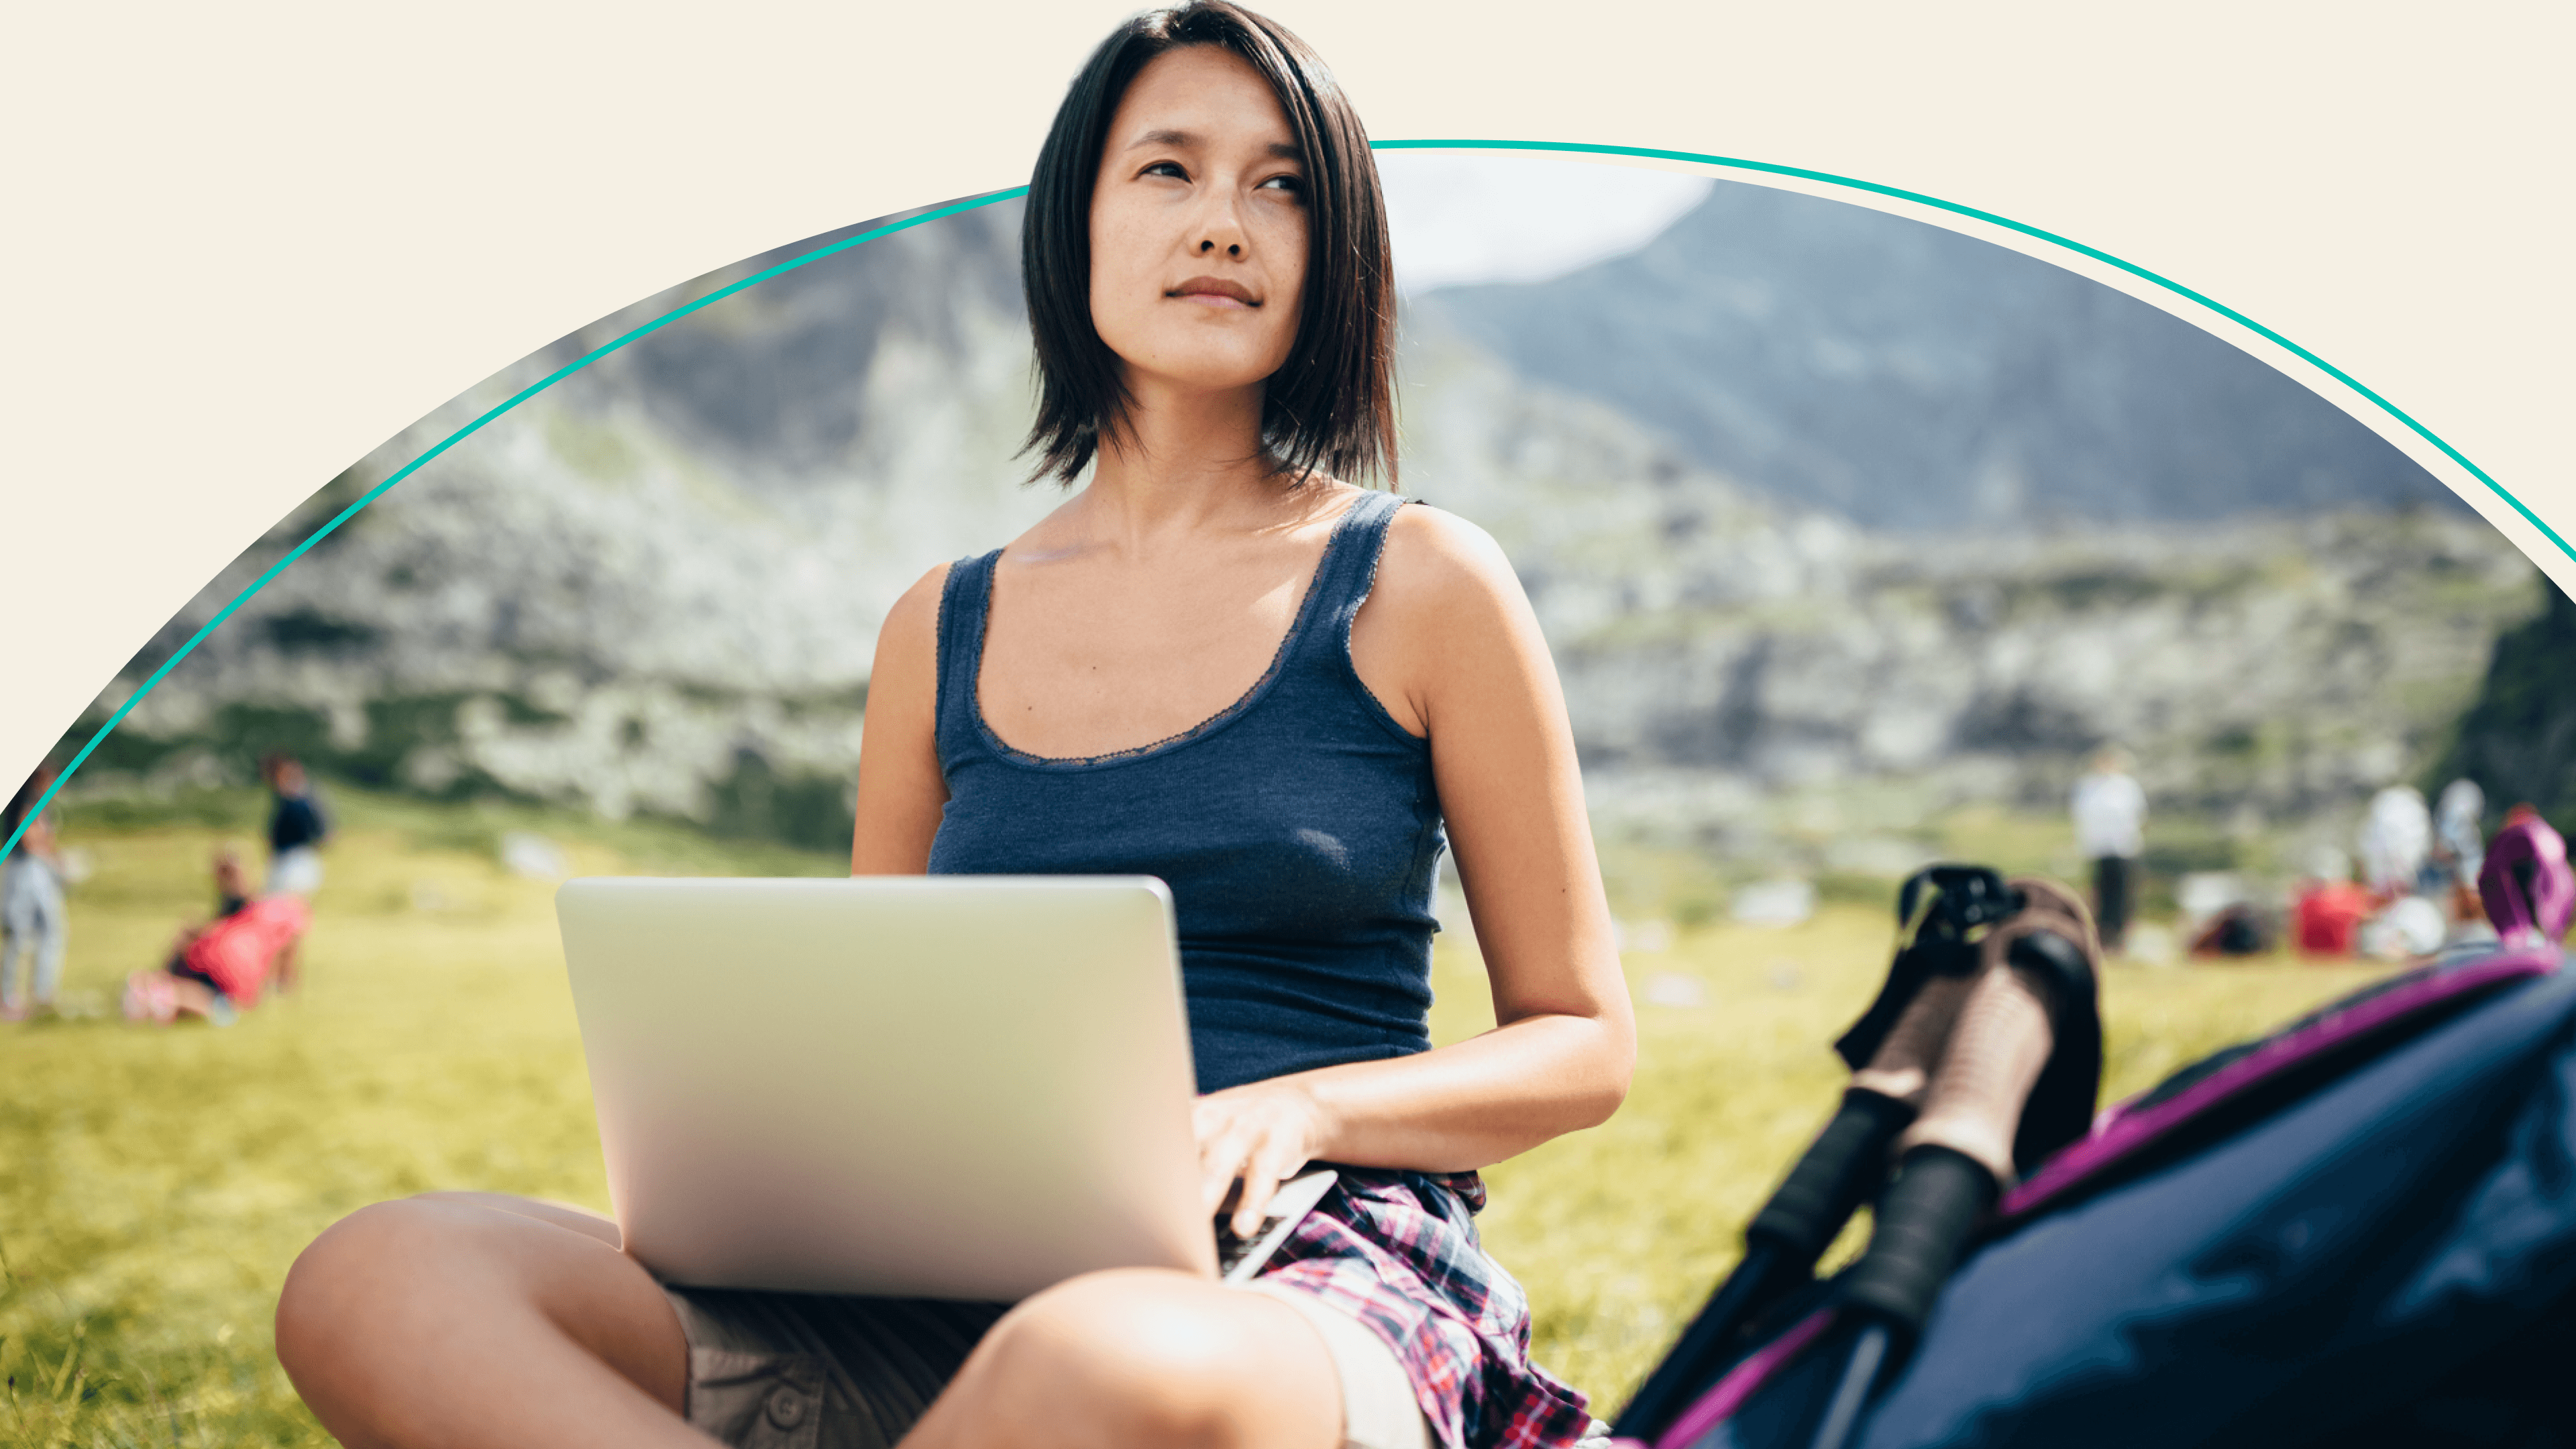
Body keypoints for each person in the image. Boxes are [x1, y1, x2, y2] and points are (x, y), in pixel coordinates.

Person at [272, 8, 1635, 1449]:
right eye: (1167, 172)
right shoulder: (942, 624)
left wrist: (1299, 1111)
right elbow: (891, 1033)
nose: (1225, 223)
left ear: (1334, 250)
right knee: (386, 1277)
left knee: (1101, 1364)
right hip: (948, 1292)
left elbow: (1583, 1044)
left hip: (1298, 1276)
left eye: (1282, 183)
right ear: (1075, 228)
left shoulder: (1422, 581)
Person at [122, 848, 309, 1025]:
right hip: (224, 970)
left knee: (212, 993)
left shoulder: (259, 911)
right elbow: (287, 954)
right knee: (219, 1001)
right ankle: (165, 994)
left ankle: (160, 991)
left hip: (217, 965)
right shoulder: (268, 911)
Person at [2, 759, 70, 1020]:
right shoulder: (25, 799)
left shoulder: (43, 806)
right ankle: (9, 1000)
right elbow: (28, 839)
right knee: (18, 935)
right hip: (23, 871)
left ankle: (42, 995)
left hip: (40, 872)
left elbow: (46, 839)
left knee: (52, 930)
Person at [2071, 745, 2146, 955]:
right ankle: (2102, 936)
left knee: (2123, 895)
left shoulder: (2127, 787)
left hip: (2124, 848)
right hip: (2098, 848)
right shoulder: (2088, 786)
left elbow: (2138, 815)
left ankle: (2121, 937)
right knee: (2101, 893)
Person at [261, 753, 329, 897]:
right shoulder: (289, 802)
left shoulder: (300, 803)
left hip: (296, 860)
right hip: (289, 859)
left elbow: (321, 833)